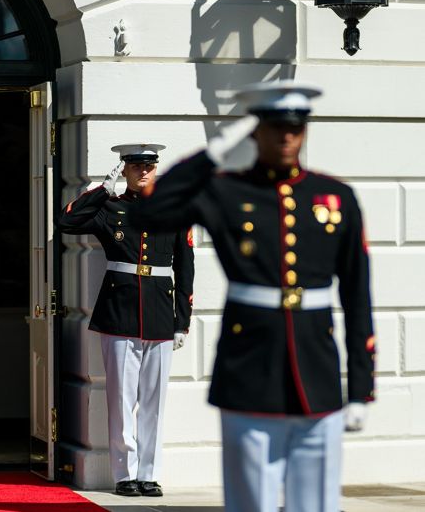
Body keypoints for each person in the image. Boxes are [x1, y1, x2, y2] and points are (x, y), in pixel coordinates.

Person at [130, 81, 375, 512]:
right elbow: (148, 212)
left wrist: (360, 388)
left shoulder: (336, 197)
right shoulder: (226, 191)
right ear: (255, 131)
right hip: (248, 367)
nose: (286, 137)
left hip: (316, 368)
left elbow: (358, 298)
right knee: (251, 501)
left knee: (316, 503)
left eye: (295, 128)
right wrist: (211, 154)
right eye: (275, 127)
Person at [58, 143, 195, 497]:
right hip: (119, 312)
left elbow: (185, 269)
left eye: (149, 166)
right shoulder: (110, 208)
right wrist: (102, 191)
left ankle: (149, 473)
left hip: (160, 313)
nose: (143, 172)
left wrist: (182, 321)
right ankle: (125, 474)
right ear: (125, 170)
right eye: (135, 167)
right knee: (120, 399)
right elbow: (66, 221)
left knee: (154, 402)